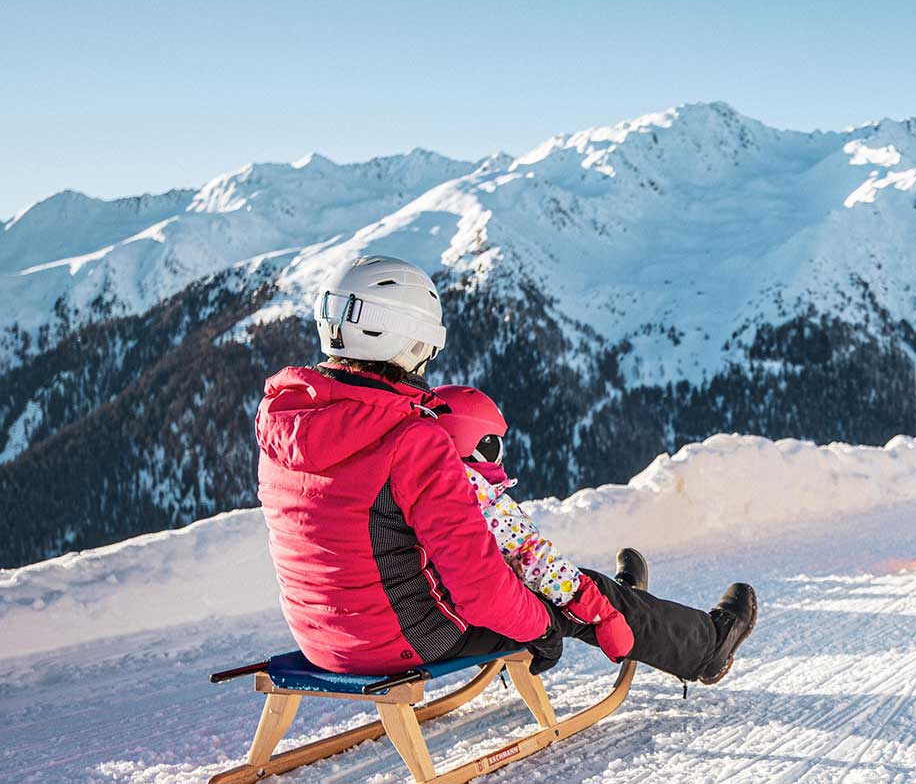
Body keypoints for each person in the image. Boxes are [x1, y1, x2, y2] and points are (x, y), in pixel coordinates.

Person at [254, 254, 757, 684]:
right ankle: (706, 647)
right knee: (567, 590)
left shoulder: (287, 421)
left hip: (324, 638)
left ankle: (630, 607)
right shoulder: (411, 439)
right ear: (411, 341)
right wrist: (542, 628)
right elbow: (480, 586)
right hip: (408, 638)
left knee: (549, 586)